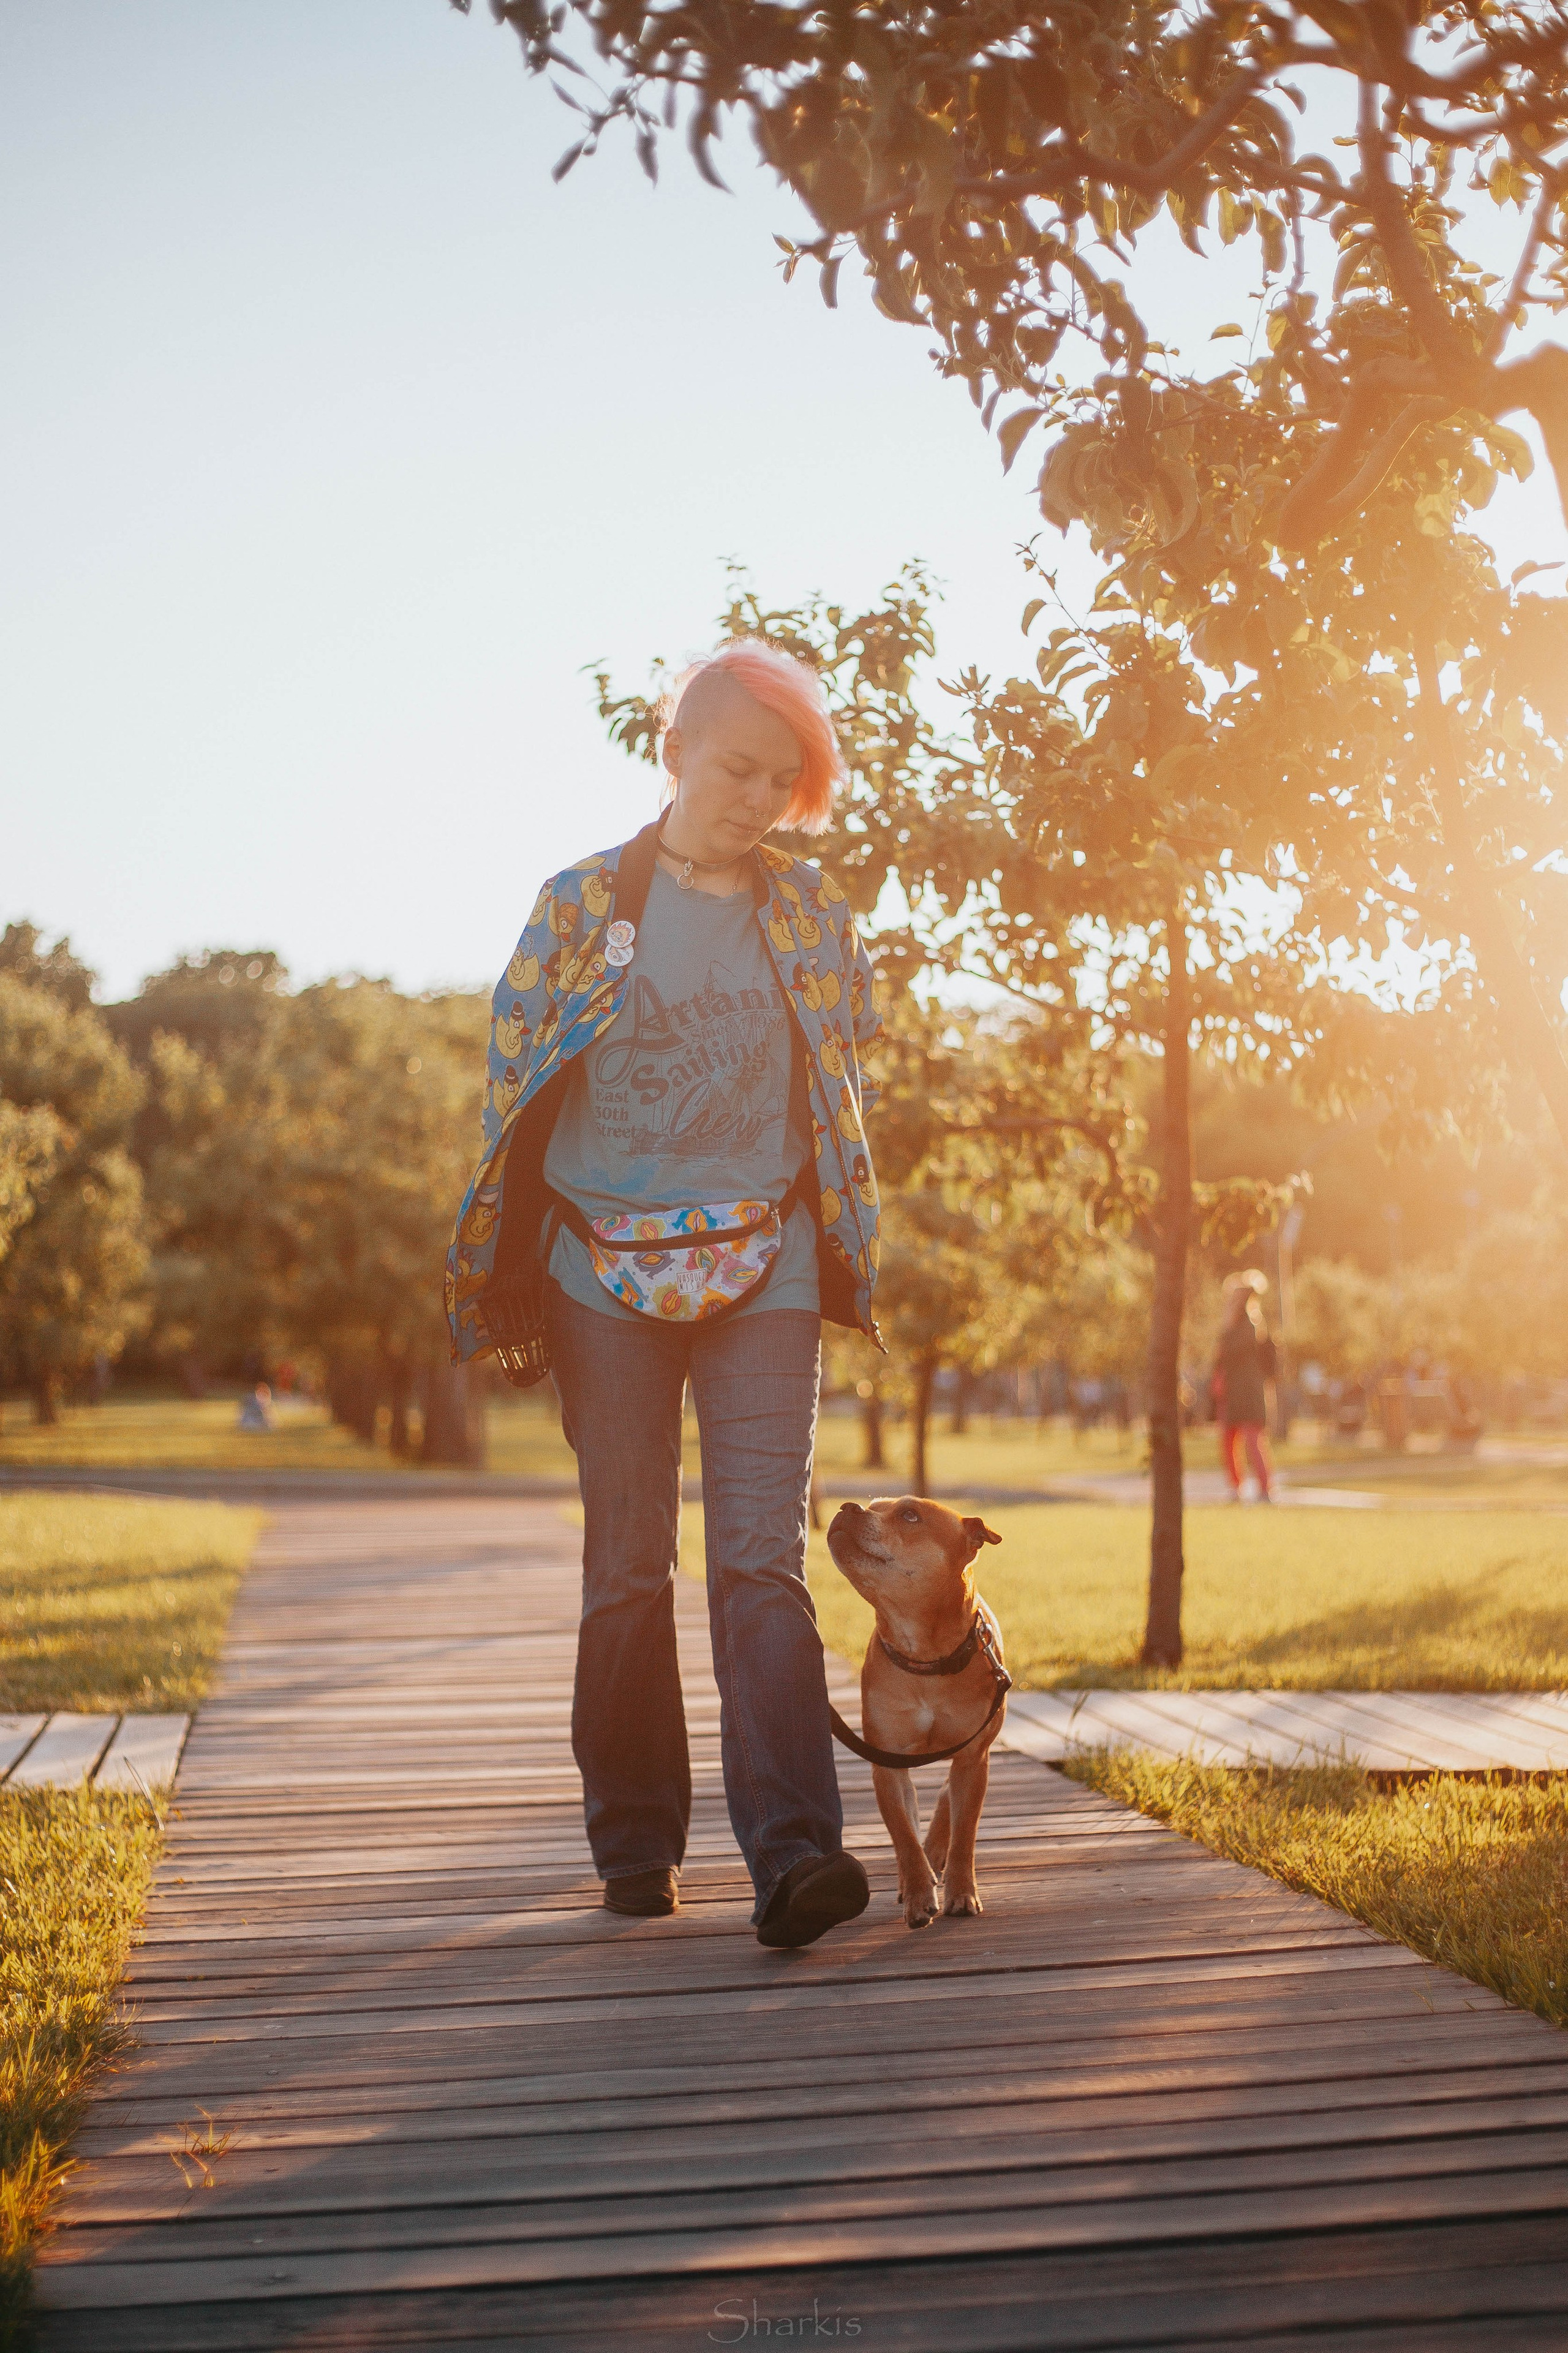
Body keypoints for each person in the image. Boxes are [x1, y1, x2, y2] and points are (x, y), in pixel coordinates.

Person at [446, 641, 886, 1950]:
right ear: (673, 749)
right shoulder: (577, 902)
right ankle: (635, 1841)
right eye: (734, 767)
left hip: (767, 1268)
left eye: (780, 779)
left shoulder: (810, 917)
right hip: (601, 1272)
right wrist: (512, 1257)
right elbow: (510, 1081)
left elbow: (839, 1091)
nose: (754, 797)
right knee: (628, 1563)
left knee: (761, 1555)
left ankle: (795, 1855)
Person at [1212, 1273, 1276, 1501]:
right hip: (1232, 1392)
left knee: (1252, 1440)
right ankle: (1236, 1486)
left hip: (1248, 1392)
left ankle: (1265, 1488)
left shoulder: (1250, 1326)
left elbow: (1228, 1354)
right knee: (1229, 1441)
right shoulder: (1233, 1327)